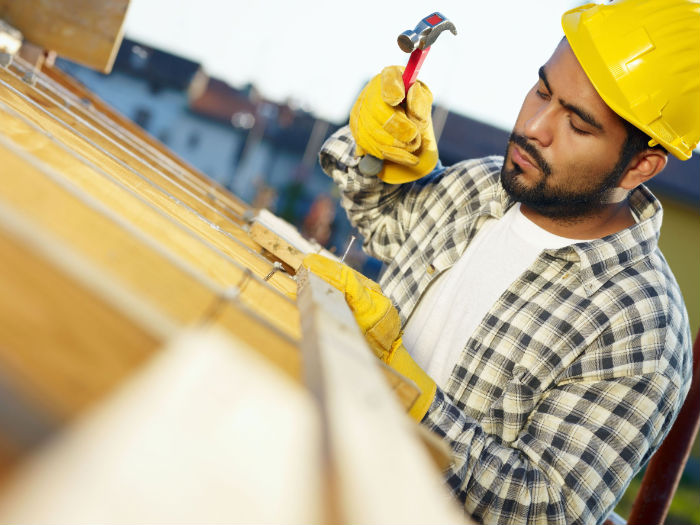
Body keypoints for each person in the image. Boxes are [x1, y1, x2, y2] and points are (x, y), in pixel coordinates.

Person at [302, 1, 699, 524]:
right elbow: (379, 222)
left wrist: (405, 389)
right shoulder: (482, 185)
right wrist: (380, 150)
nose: (534, 126)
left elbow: (545, 508)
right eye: (542, 91)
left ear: (640, 166)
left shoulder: (641, 330)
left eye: (577, 125)